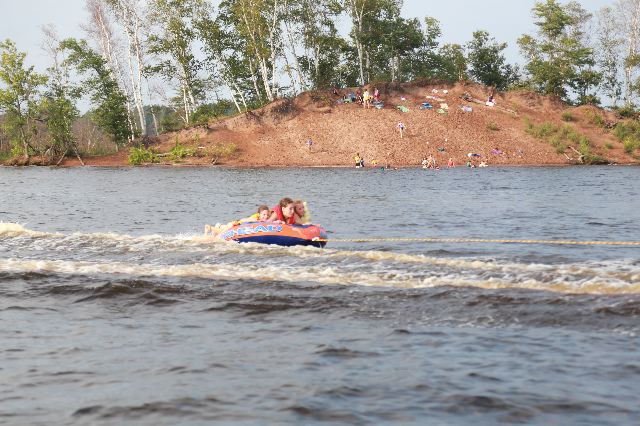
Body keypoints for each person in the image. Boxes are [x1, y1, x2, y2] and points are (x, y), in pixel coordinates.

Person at [204, 205, 271, 236]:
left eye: (267, 215)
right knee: (222, 233)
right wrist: (258, 221)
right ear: (259, 214)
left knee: (223, 228)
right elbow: (243, 220)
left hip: (234, 223)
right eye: (264, 214)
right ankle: (209, 227)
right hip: (235, 224)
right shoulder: (255, 219)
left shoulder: (262, 218)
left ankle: (219, 225)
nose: (266, 217)